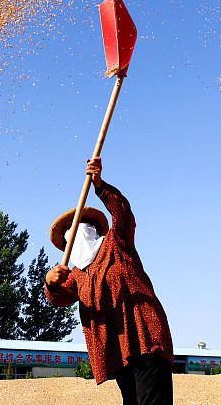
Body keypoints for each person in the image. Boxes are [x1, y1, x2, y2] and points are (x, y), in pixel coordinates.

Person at [45, 157, 174, 405]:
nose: (77, 235)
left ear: (93, 230)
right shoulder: (76, 274)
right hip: (117, 350)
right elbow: (59, 298)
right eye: (69, 234)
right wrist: (50, 282)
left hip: (145, 337)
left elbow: (123, 215)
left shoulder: (117, 244)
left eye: (81, 228)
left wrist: (100, 184)